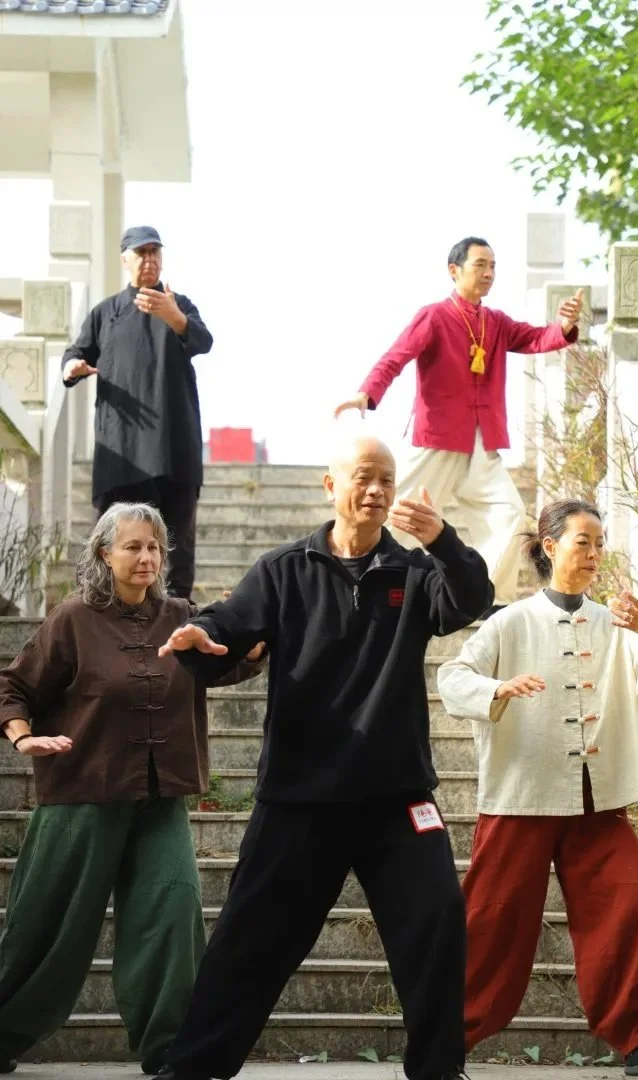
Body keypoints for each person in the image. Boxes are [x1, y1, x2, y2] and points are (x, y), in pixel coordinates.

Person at [151, 435, 493, 1080]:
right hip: (300, 799)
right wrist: (200, 639)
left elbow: (471, 597)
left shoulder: (416, 574)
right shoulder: (285, 569)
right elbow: (228, 627)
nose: (376, 491)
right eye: (363, 477)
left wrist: (444, 540)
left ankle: (439, 1071)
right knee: (249, 942)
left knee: (439, 919)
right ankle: (193, 1069)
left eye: (386, 480)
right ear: (330, 486)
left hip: (397, 801)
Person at [0, 503, 265, 1077]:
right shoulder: (72, 619)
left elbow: (223, 662)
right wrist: (23, 740)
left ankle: (171, 1048)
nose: (146, 558)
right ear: (104, 554)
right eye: (132, 547)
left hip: (159, 797)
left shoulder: (180, 615)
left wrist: (260, 639)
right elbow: (14, 685)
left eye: (155, 548)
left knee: (172, 912)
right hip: (82, 797)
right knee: (47, 926)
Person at [437, 499, 638, 1079]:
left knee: (633, 903)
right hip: (521, 793)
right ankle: (445, 1038)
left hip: (597, 799)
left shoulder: (612, 622)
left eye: (600, 543)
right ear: (550, 546)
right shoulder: (510, 622)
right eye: (583, 541)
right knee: (492, 919)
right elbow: (453, 677)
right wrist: (498, 689)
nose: (595, 554)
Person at [334, 236, 584, 614]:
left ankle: (484, 595)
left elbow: (536, 338)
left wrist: (563, 326)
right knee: (392, 511)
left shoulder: (495, 322)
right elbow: (397, 356)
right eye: (480, 265)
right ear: (454, 271)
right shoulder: (434, 315)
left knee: (509, 514)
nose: (488, 273)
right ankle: (349, 577)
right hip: (437, 436)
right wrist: (366, 394)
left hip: (483, 443)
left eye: (493, 266)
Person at [61, 225, 213, 599]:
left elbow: (203, 340)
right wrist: (72, 367)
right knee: (111, 538)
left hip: (173, 445)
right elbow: (75, 353)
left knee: (176, 541)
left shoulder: (179, 304)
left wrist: (174, 316)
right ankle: (98, 609)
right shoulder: (106, 312)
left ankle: (177, 613)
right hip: (122, 447)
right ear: (125, 259)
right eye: (141, 253)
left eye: (155, 252)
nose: (149, 260)